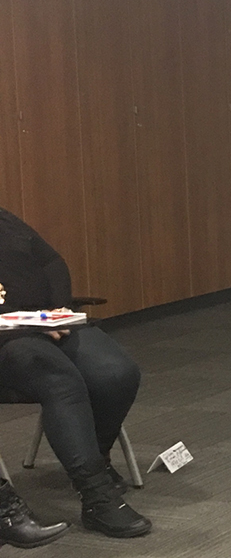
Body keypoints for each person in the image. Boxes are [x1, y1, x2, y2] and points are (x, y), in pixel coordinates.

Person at [0, 207, 151, 537]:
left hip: (49, 323)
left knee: (117, 373)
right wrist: (22, 323)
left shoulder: (4, 220)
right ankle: (97, 496)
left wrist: (59, 307)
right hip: (7, 340)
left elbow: (52, 262)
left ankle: (95, 457)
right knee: (59, 378)